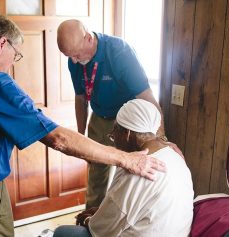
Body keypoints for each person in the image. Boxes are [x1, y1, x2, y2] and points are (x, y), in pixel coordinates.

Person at [0, 15, 166, 237]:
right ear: (3, 43)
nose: (12, 64)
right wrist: (127, 159)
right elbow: (59, 139)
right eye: (15, 55)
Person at [57, 19, 168, 209]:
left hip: (128, 124)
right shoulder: (74, 60)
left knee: (131, 174)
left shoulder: (120, 52)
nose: (74, 61)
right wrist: (80, 135)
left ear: (89, 39)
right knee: (96, 174)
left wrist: (162, 139)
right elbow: (80, 98)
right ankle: (90, 220)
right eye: (69, 56)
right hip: (99, 117)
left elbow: (148, 97)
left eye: (75, 54)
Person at [53, 99, 194, 237]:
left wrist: (87, 220)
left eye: (114, 132)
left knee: (62, 232)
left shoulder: (136, 170)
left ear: (126, 134)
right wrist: (101, 211)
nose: (112, 137)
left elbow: (101, 231)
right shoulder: (175, 156)